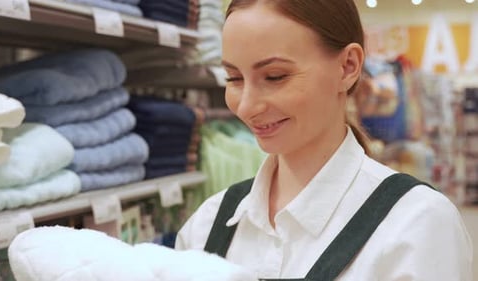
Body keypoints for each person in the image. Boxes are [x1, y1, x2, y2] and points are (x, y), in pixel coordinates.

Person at [175, 0, 473, 280]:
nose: (247, 106)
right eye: (234, 78)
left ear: (348, 67)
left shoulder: (417, 225)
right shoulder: (206, 225)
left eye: (275, 76)